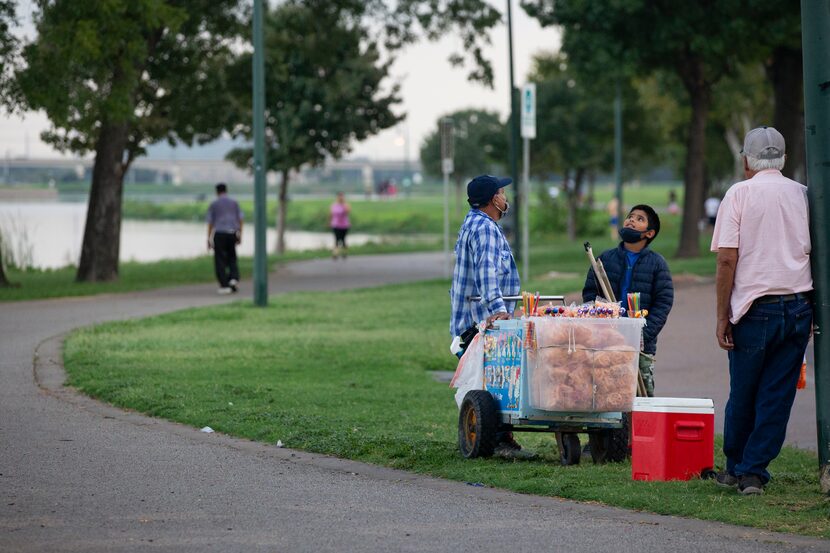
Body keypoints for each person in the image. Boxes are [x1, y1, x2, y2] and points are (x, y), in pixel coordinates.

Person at [711, 126, 812, 496]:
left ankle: (736, 467)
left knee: (744, 390)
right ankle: (754, 471)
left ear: (746, 160)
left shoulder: (739, 194)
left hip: (755, 309)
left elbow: (726, 259)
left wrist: (723, 315)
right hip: (799, 306)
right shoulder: (802, 194)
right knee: (777, 393)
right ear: (783, 159)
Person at [450, 174, 531, 460]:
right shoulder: (484, 228)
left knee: (493, 380)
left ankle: (500, 437)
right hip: (482, 323)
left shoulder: (474, 222)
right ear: (492, 200)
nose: (505, 196)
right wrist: (498, 309)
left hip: (475, 319)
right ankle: (496, 440)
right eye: (501, 192)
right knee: (492, 382)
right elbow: (486, 273)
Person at [582, 204, 674, 397]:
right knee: (605, 392)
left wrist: (643, 334)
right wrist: (601, 324)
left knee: (638, 397)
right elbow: (590, 293)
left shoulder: (657, 263)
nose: (631, 220)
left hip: (640, 346)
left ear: (649, 233)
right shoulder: (605, 259)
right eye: (630, 216)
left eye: (640, 219)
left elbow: (663, 302)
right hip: (605, 340)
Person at [206, 182, 243, 295]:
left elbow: (210, 222)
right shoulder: (234, 203)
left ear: (217, 192)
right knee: (232, 257)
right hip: (232, 233)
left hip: (220, 234)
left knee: (220, 260)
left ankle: (224, 284)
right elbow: (240, 219)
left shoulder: (214, 204)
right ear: (226, 190)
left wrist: (209, 238)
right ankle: (233, 278)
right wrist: (240, 234)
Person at [330, 192, 351, 260]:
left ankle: (344, 253)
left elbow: (348, 212)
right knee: (336, 239)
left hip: (344, 225)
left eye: (342, 196)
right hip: (336, 224)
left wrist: (343, 204)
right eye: (339, 196)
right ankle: (335, 254)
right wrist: (329, 222)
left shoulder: (346, 205)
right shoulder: (334, 205)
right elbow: (331, 214)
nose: (340, 198)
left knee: (343, 239)